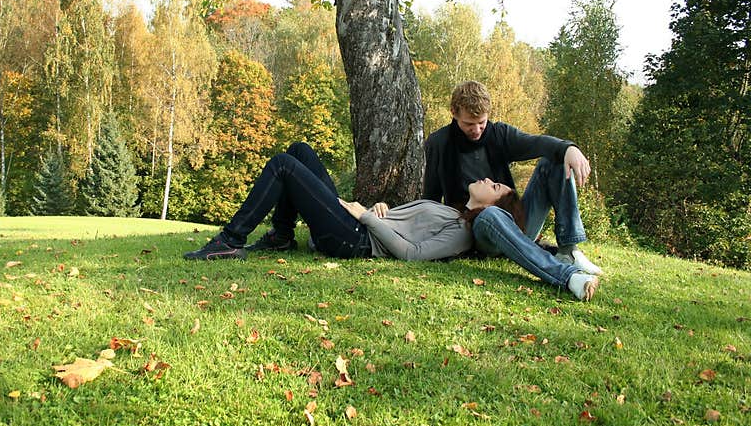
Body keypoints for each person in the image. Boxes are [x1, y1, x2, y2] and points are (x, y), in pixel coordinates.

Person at [183, 143, 599, 300]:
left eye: (496, 186)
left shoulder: (462, 231)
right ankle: (281, 236)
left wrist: (366, 218)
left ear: (496, 207)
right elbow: (404, 220)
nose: (491, 179)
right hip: (363, 222)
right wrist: (380, 207)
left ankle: (230, 239)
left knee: (284, 166)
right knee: (300, 151)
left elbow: (413, 254)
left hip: (355, 240)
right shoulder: (451, 209)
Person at [422, 79, 602, 296]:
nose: (477, 130)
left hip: (516, 221)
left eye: (482, 122)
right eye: (470, 124)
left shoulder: (499, 134)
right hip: (477, 233)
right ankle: (566, 276)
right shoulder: (439, 143)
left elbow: (536, 142)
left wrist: (568, 148)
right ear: (454, 112)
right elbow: (430, 199)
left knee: (552, 162)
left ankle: (568, 250)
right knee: (489, 215)